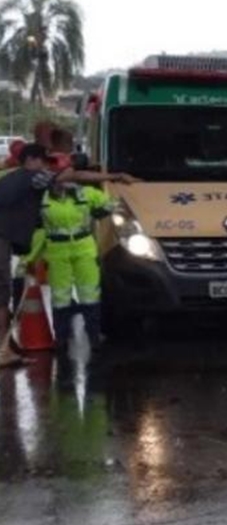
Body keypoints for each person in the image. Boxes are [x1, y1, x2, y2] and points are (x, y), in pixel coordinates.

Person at [0, 144, 138, 365]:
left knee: (87, 294)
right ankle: (28, 346)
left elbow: (105, 202)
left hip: (76, 249)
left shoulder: (78, 192)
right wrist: (115, 176)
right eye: (47, 164)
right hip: (36, 246)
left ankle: (9, 347)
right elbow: (72, 177)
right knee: (31, 295)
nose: (51, 170)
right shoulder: (36, 185)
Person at [23, 181, 115, 351]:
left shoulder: (85, 193)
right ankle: (61, 338)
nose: (62, 184)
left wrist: (100, 210)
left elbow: (111, 204)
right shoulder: (41, 199)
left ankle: (94, 336)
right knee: (60, 296)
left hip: (84, 250)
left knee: (90, 294)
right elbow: (38, 231)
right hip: (57, 253)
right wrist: (30, 257)